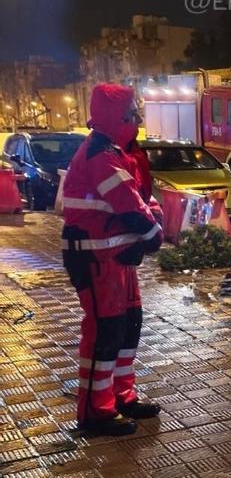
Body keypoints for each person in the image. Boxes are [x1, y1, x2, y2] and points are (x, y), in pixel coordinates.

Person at [61, 84, 164, 436]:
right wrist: (153, 236)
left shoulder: (117, 152)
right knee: (104, 333)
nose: (138, 120)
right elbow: (130, 205)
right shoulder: (100, 155)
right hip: (95, 258)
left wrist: (149, 229)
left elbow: (144, 198)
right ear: (117, 117)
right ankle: (96, 412)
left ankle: (122, 396)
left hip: (117, 258)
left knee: (127, 327)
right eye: (132, 114)